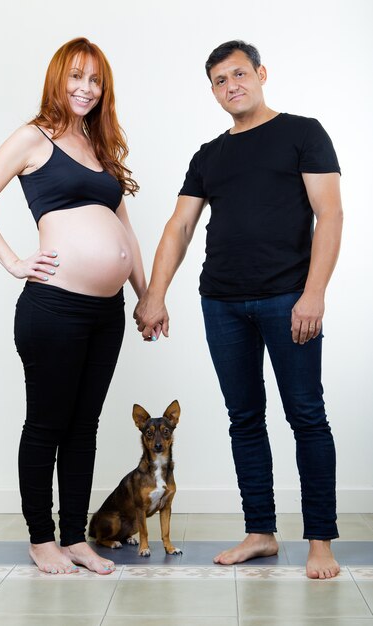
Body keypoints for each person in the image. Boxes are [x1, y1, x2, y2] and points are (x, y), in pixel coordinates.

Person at [134, 40, 343, 579]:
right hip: (222, 303)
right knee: (244, 420)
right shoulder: (209, 154)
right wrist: (154, 295)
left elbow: (331, 215)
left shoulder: (303, 132)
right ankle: (261, 532)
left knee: (306, 416)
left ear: (261, 74)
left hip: (287, 299)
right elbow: (179, 227)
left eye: (239, 74)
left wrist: (313, 292)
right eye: (220, 81)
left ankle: (320, 540)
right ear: (213, 91)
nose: (232, 86)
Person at [0, 37, 147, 575]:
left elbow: (125, 231)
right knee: (46, 424)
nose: (85, 88)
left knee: (83, 426)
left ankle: (74, 537)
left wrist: (146, 295)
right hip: (54, 308)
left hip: (105, 313)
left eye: (95, 80)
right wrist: (12, 261)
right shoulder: (33, 137)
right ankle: (41, 538)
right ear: (57, 79)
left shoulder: (99, 146)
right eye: (76, 77)